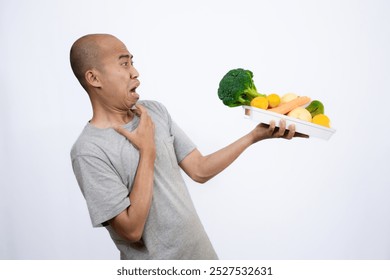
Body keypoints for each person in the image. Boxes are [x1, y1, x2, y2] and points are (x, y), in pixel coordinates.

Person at [69, 33, 305, 260]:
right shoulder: (89, 150)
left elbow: (200, 170)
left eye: (132, 62)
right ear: (94, 78)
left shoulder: (153, 112)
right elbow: (131, 230)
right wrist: (148, 151)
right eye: (124, 64)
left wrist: (254, 136)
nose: (135, 72)